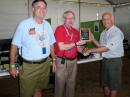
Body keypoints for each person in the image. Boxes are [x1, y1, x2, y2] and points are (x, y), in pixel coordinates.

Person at [10, 0, 56, 97]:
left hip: (45, 64)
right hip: (29, 67)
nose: (42, 10)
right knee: (26, 93)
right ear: (33, 9)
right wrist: (12, 65)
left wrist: (54, 59)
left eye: (44, 7)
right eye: (39, 7)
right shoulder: (23, 25)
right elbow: (14, 46)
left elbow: (51, 44)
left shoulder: (47, 25)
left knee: (39, 89)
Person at [83, 12, 124, 97]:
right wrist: (93, 39)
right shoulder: (103, 33)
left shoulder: (116, 32)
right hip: (105, 61)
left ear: (112, 20)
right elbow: (100, 46)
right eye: (104, 19)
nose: (106, 21)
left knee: (113, 85)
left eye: (108, 19)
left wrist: (90, 50)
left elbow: (106, 48)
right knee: (105, 83)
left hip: (114, 62)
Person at [54, 10, 87, 97]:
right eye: (68, 18)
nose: (71, 20)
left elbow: (78, 48)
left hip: (74, 61)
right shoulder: (60, 29)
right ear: (64, 19)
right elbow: (61, 47)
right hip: (62, 61)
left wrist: (84, 51)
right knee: (60, 85)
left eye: (72, 18)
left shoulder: (76, 31)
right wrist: (76, 43)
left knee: (71, 84)